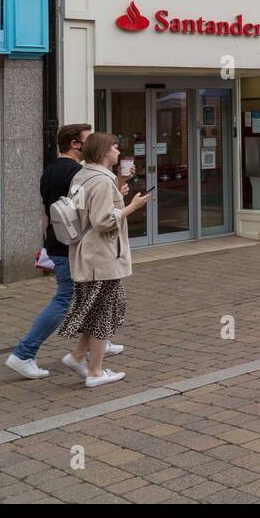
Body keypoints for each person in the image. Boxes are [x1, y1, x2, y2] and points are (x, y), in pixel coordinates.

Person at [6, 123, 126, 379]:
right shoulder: (77, 173)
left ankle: (95, 344)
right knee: (69, 300)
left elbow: (49, 210)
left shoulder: (51, 170)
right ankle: (25, 352)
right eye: (87, 140)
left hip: (57, 242)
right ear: (75, 144)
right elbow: (91, 215)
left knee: (87, 300)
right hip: (72, 246)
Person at [60, 132, 150, 388]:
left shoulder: (83, 175)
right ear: (103, 152)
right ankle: (96, 371)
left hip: (87, 255)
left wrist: (119, 184)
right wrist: (133, 206)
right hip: (100, 256)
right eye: (115, 148)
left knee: (96, 309)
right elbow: (102, 221)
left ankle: (78, 356)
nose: (118, 152)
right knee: (104, 313)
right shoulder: (100, 181)